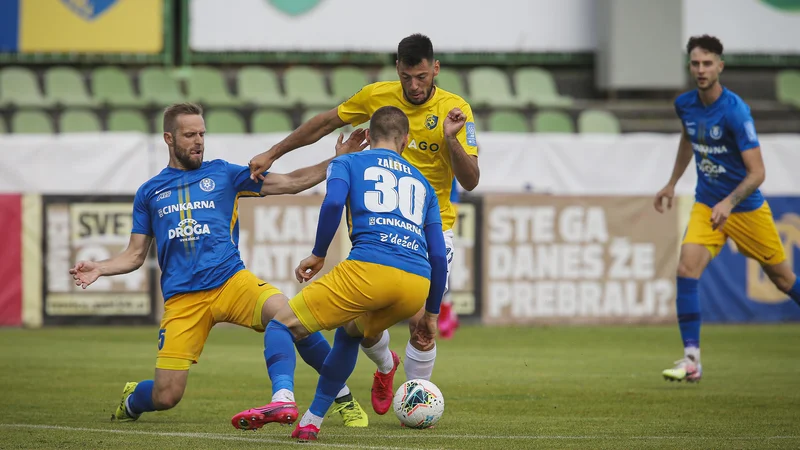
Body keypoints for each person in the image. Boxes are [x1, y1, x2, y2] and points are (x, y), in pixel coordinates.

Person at [69, 102, 370, 427]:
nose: (198, 141)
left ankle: (334, 397)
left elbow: (292, 181)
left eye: (201, 133)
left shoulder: (225, 173)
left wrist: (339, 161)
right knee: (166, 396)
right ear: (169, 138)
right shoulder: (149, 193)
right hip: (183, 301)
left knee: (287, 313)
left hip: (231, 282)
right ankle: (132, 401)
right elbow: (134, 255)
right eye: (189, 135)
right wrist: (100, 267)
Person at [247, 33, 479, 416]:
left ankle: (414, 406)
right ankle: (387, 366)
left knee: (422, 325)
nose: (414, 85)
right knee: (360, 319)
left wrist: (451, 141)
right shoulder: (376, 96)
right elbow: (323, 123)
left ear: (435, 70)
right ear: (397, 70)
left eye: (422, 76)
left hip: (432, 228)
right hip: (375, 228)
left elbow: (470, 180)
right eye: (407, 76)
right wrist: (274, 152)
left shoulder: (457, 110)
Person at [230, 105, 448, 442]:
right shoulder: (422, 183)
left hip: (370, 269)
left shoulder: (347, 162)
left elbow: (333, 204)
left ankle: (282, 400)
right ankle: (310, 423)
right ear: (405, 141)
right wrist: (431, 313)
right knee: (349, 333)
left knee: (281, 325)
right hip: (416, 283)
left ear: (370, 136)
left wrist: (318, 254)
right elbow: (437, 254)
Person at [654, 35, 800, 382]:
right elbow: (689, 138)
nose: (701, 70)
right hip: (708, 204)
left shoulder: (735, 111)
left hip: (745, 208)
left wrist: (729, 202)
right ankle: (692, 361)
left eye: (707, 63)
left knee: (782, 279)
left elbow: (758, 172)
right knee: (687, 270)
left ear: (720, 66)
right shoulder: (685, 105)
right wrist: (672, 182)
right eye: (695, 63)